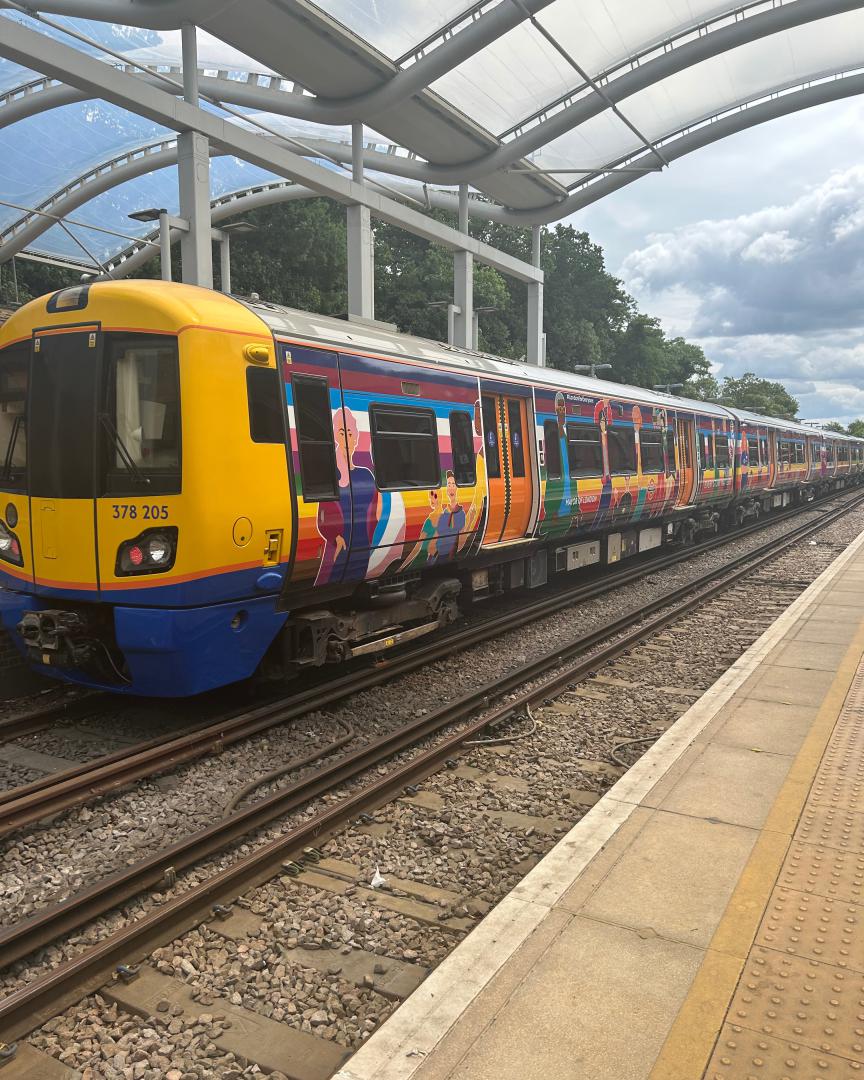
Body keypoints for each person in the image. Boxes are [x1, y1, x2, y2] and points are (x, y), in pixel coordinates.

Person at [436, 470, 467, 561]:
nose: (451, 488)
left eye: (453, 484)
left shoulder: (460, 512)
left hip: (451, 552)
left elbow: (459, 529)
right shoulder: (445, 511)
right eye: (449, 484)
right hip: (441, 551)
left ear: (457, 488)